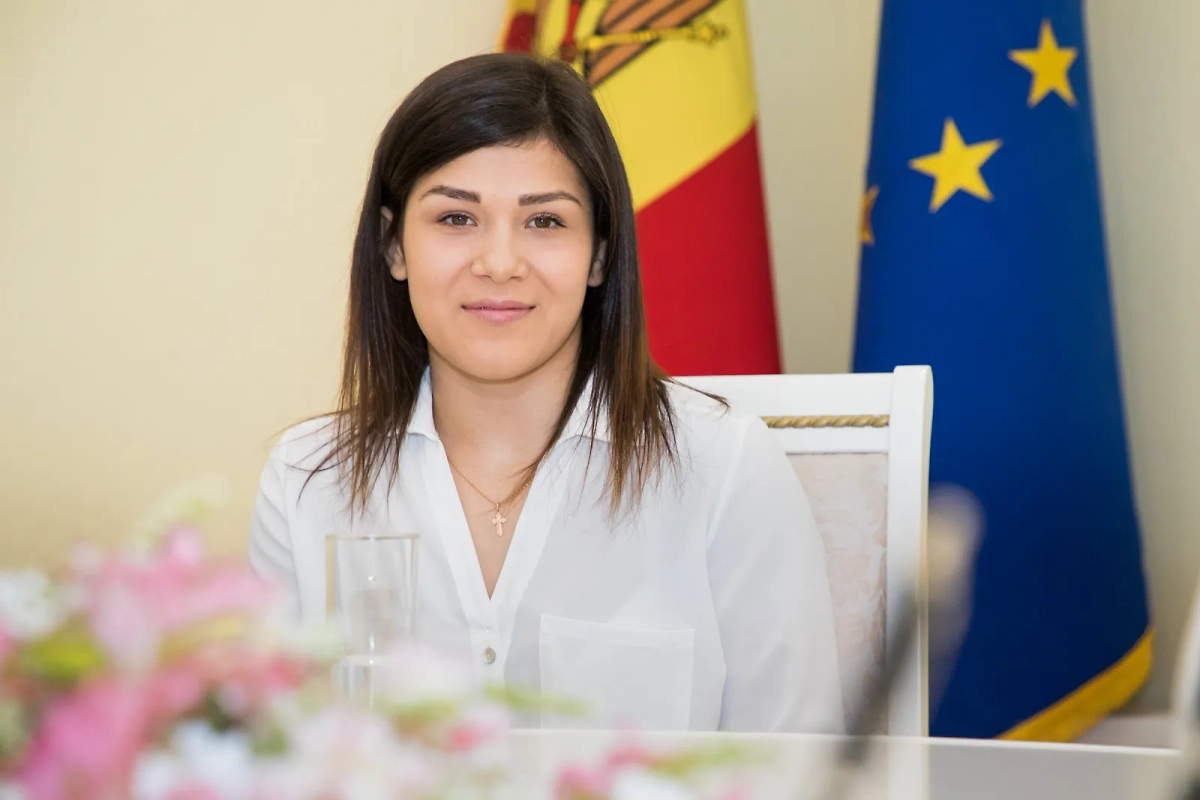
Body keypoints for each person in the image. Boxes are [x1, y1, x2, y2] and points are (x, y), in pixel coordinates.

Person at [248, 51, 844, 733]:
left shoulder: (723, 466)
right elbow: (269, 760)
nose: (500, 263)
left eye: (545, 222)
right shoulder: (305, 483)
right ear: (393, 246)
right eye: (456, 219)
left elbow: (805, 765)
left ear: (599, 253)